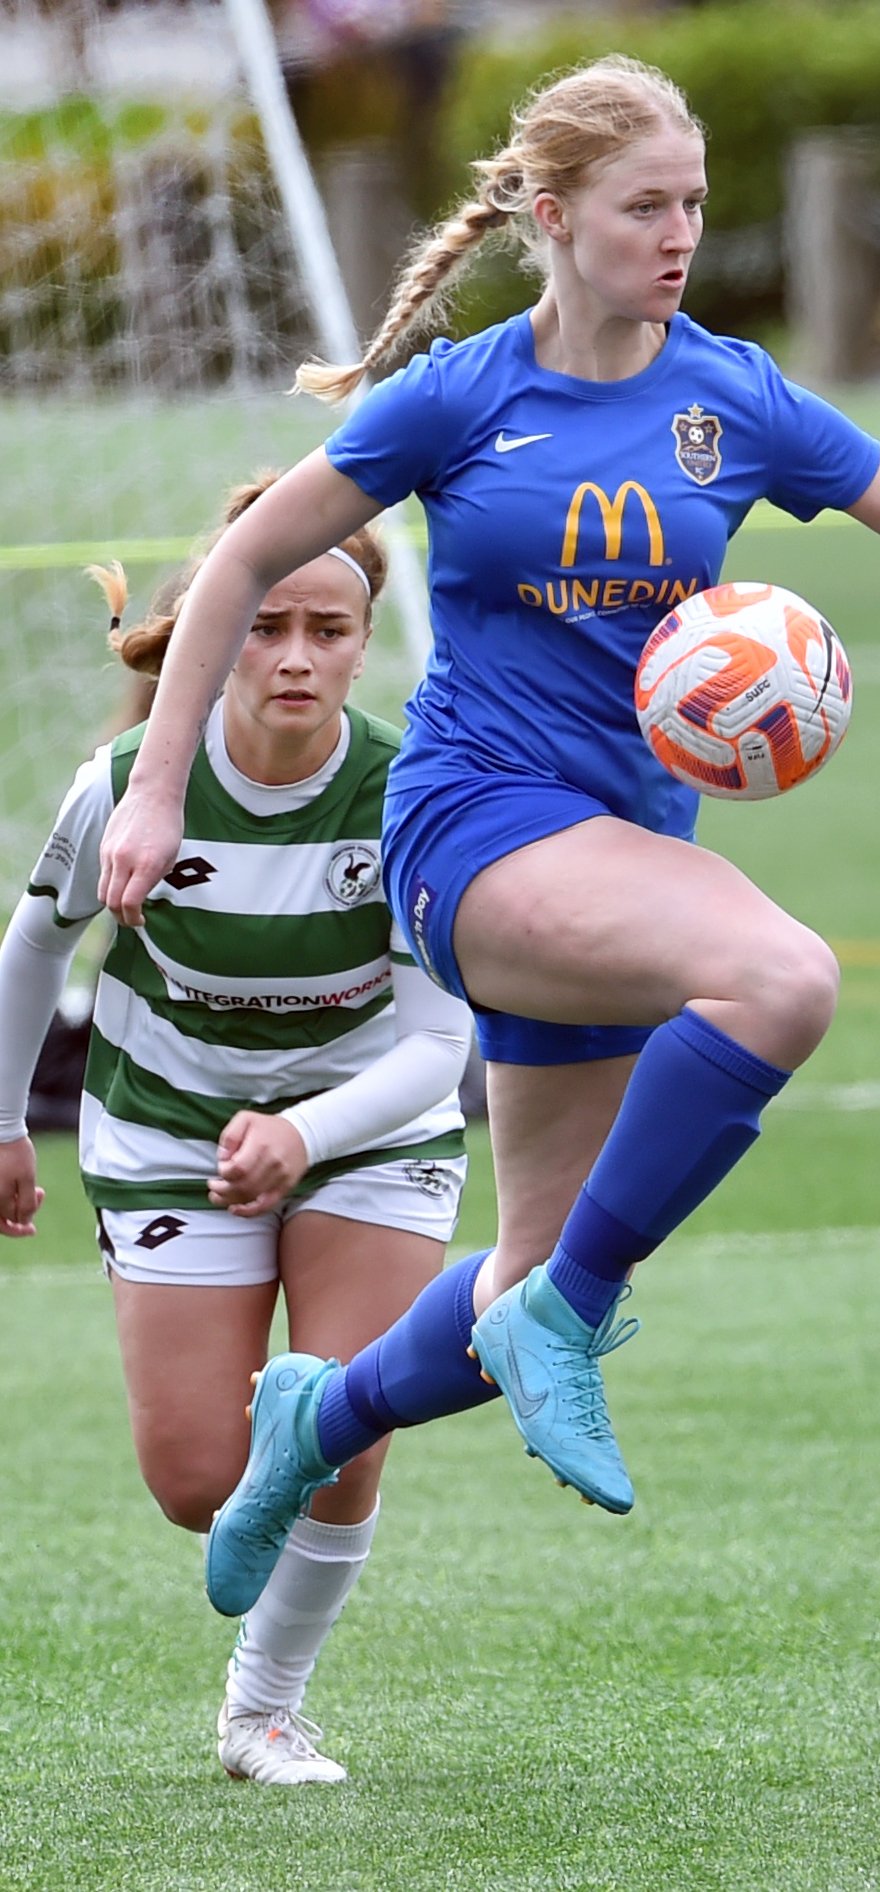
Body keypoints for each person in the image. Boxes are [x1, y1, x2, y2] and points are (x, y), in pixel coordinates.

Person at [95, 51, 880, 1619]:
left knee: (510, 1284)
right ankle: (581, 1311)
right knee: (785, 980)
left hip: (619, 855)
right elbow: (235, 566)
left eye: (693, 202)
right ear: (551, 217)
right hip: (473, 830)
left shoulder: (733, 396)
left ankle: (316, 1420)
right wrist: (154, 787)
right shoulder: (464, 395)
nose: (678, 232)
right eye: (643, 205)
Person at [0, 472, 472, 1780]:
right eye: (265, 626)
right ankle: (272, 1461)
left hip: (369, 1128)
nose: (296, 656)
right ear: (214, 628)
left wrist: (308, 1133)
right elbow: (32, 951)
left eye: (329, 629)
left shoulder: (407, 795)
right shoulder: (124, 788)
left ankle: (266, 1711)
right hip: (164, 1129)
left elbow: (443, 1040)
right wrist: (0, 1120)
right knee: (203, 1485)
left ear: (365, 639)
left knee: (340, 1429)